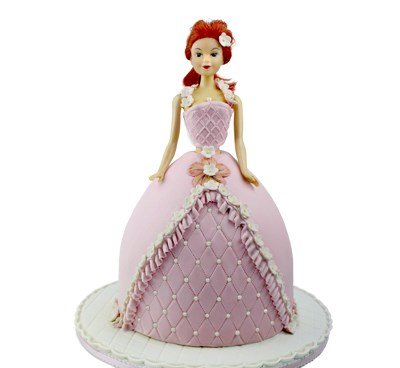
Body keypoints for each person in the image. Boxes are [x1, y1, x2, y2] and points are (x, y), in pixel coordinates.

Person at [114, 20, 297, 347]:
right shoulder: (182, 98)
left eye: (212, 53)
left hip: (225, 167)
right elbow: (172, 140)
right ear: (190, 56)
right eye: (199, 53)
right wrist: (161, 170)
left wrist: (244, 168)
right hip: (190, 167)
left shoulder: (233, 99)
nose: (206, 59)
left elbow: (239, 139)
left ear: (224, 56)